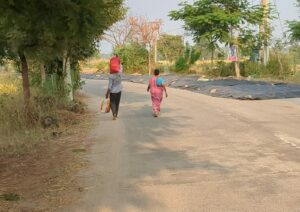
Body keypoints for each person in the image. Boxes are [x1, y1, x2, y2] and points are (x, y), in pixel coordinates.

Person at [106, 54, 123, 120]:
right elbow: (120, 66)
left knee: (112, 103)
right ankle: (116, 114)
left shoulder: (110, 75)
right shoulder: (120, 72)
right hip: (119, 90)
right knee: (117, 103)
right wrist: (118, 60)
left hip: (112, 91)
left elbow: (110, 86)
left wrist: (107, 93)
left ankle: (114, 114)